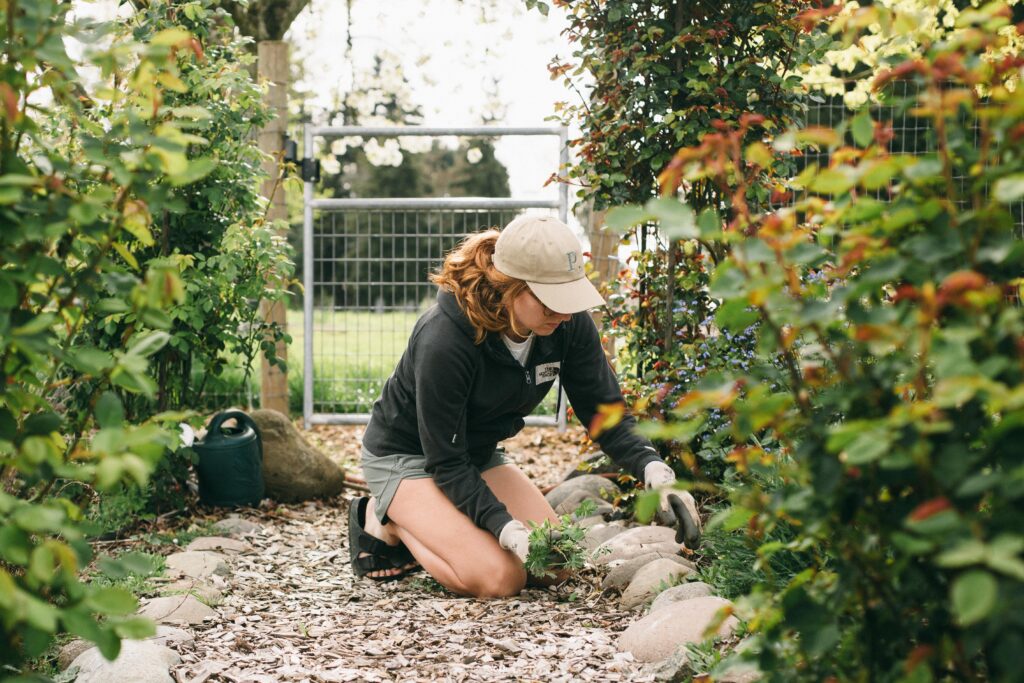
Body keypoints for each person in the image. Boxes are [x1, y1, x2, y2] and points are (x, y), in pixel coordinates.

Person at [348, 214, 700, 597]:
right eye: (550, 302)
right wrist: (502, 526)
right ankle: (391, 520)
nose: (563, 314)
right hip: (408, 457)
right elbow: (444, 461)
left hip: (474, 456)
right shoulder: (445, 339)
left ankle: (440, 525)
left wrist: (654, 470)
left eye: (568, 300)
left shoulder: (566, 324)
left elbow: (605, 413)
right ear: (508, 286)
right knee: (501, 579)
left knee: (558, 563)